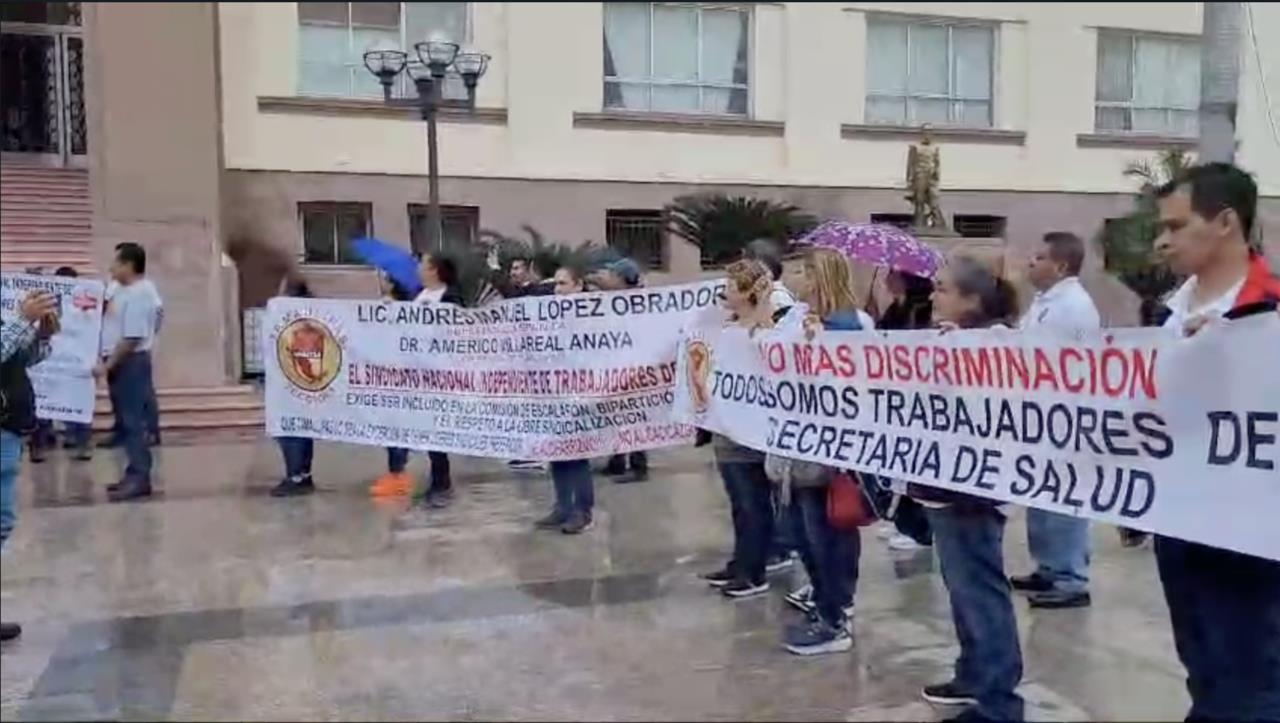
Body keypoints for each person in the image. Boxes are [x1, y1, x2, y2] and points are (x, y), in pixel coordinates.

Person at [1151, 162, 1280, 721]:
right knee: (1203, 665)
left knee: (1250, 681)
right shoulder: (1170, 312)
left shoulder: (1270, 312)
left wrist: (1239, 364)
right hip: (1178, 519)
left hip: (1247, 536)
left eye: (1176, 227)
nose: (1162, 241)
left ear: (1225, 221)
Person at [914, 256, 1024, 722]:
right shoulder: (947, 340)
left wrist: (955, 358)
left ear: (971, 300)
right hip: (941, 484)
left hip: (972, 491)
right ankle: (973, 671)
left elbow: (991, 411)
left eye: (942, 289)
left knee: (980, 590)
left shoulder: (997, 343)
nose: (932, 296)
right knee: (960, 589)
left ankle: (1000, 701)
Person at [768, 248, 866, 656]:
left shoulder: (845, 327)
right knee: (805, 535)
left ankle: (834, 615)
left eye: (806, 271)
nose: (798, 278)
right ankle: (825, 603)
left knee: (827, 536)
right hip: (799, 446)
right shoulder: (805, 319)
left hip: (827, 453)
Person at [1010, 232, 1101, 610]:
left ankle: (1070, 576)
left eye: (1039, 257)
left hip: (1066, 414)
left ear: (1060, 265)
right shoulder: (1044, 303)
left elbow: (1079, 363)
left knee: (1065, 496)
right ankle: (1048, 566)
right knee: (1042, 492)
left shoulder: (1075, 306)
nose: (1031, 262)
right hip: (1039, 413)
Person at [702, 259, 793, 599]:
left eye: (730, 284)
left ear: (747, 291)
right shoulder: (728, 324)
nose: (723, 289)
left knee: (753, 504)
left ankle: (754, 571)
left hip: (749, 434)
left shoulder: (764, 329)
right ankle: (740, 562)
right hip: (725, 429)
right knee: (739, 506)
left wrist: (765, 304)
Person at [1, 287, 59, 643]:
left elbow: (19, 358)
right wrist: (22, 320)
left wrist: (40, 336)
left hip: (8, 428)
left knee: (2, 522)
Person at [871, 270, 935, 552]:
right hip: (897, 396)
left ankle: (920, 529)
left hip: (917, 398)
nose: (887, 278)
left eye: (894, 274)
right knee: (898, 464)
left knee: (916, 465)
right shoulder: (898, 307)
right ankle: (902, 520)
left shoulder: (923, 309)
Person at [93, 243, 161, 503]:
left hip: (130, 362)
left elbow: (132, 337)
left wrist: (107, 366)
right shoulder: (123, 291)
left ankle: (140, 477)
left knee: (134, 422)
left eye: (116, 263)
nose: (112, 268)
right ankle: (132, 472)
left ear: (129, 265)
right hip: (121, 362)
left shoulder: (140, 293)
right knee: (125, 421)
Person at [533, 265, 597, 534]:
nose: (558, 290)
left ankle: (582, 510)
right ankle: (562, 506)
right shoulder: (551, 319)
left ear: (578, 285)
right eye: (556, 284)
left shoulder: (591, 317)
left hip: (581, 395)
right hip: (555, 395)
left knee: (577, 455)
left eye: (563, 284)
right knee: (557, 452)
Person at [592, 258, 651, 483]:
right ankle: (617, 460)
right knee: (617, 414)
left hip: (635, 366)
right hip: (618, 363)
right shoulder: (616, 300)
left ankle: (638, 465)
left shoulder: (638, 302)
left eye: (614, 276)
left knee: (634, 415)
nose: (609, 279)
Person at [413, 253, 463, 509]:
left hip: (441, 373)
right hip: (421, 372)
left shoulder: (450, 297)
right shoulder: (420, 295)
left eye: (422, 264)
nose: (418, 268)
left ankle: (442, 482)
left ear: (434, 270)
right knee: (427, 429)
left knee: (437, 429)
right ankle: (436, 479)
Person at [100, 263, 163, 449]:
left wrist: (150, 335)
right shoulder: (113, 287)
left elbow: (158, 313)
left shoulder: (144, 288)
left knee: (141, 394)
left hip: (132, 350)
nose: (112, 268)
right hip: (111, 349)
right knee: (118, 395)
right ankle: (121, 430)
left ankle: (150, 431)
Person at [370, 273, 420, 498]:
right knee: (393, 428)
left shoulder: (397, 308)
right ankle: (396, 472)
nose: (378, 281)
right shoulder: (401, 306)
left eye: (383, 277)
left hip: (399, 375)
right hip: (390, 374)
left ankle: (398, 475)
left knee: (396, 428)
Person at [270, 272, 318, 498]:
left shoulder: (292, 316)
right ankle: (303, 474)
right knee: (303, 428)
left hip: (293, 381)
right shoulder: (315, 315)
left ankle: (295, 475)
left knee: (291, 429)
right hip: (306, 381)